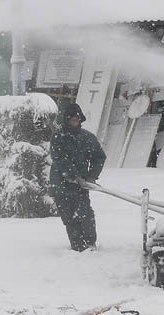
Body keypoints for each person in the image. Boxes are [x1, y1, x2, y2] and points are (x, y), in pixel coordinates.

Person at [49, 103, 106, 252]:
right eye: (72, 120)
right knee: (69, 216)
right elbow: (60, 158)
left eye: (77, 120)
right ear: (66, 120)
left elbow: (99, 157)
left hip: (81, 185)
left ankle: (90, 243)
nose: (75, 123)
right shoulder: (58, 137)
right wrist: (73, 176)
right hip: (61, 184)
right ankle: (77, 245)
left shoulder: (87, 138)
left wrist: (91, 175)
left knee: (85, 213)